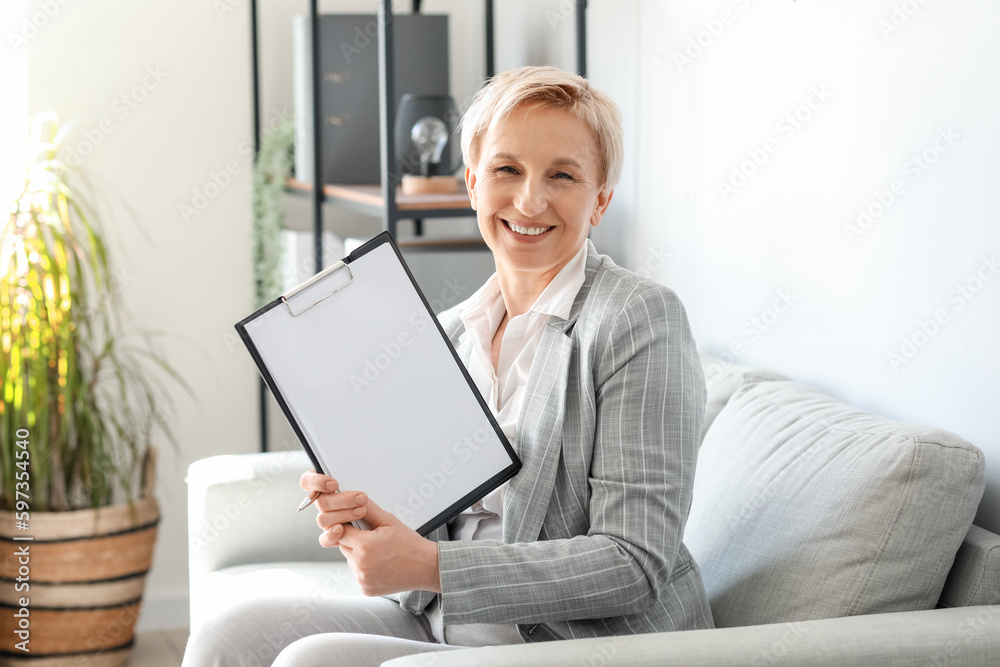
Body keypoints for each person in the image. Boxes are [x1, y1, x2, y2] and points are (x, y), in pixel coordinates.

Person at [183, 65, 713, 667]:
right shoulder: (447, 333)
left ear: (600, 201)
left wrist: (432, 565)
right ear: (471, 184)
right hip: (450, 629)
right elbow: (415, 562)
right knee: (230, 635)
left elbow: (634, 563)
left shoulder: (638, 319)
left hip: (580, 647)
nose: (529, 200)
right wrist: (370, 525)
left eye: (561, 175)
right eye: (506, 170)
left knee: (314, 661)